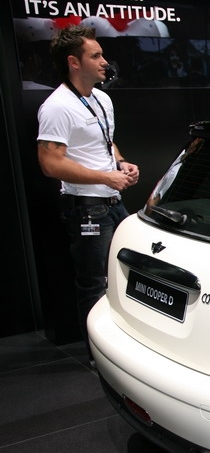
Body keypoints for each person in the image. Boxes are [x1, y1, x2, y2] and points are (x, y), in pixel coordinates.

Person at [36, 24, 139, 362]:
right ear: (74, 62)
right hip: (85, 207)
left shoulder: (101, 98)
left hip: (112, 201)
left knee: (127, 275)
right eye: (95, 55)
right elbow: (50, 163)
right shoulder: (57, 107)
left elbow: (104, 142)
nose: (104, 61)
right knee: (94, 283)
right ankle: (99, 356)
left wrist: (121, 163)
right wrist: (105, 177)